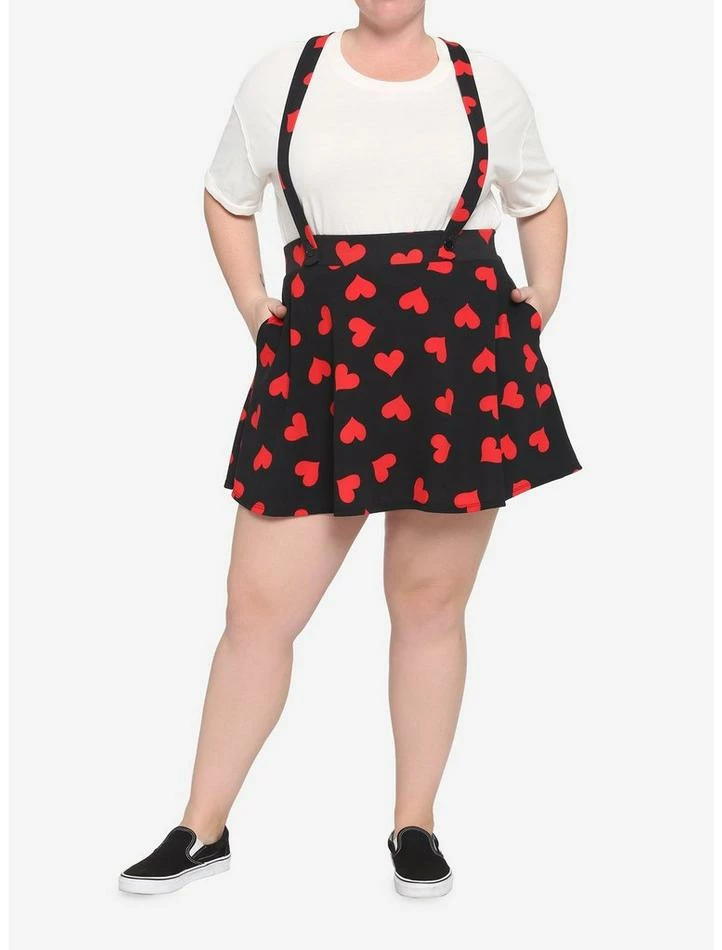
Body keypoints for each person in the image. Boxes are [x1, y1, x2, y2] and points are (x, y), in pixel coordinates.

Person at [119, 0, 580, 899]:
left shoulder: (487, 81)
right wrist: (253, 302)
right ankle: (200, 825)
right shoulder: (281, 77)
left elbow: (541, 196)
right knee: (258, 609)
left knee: (429, 604)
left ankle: (415, 824)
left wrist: (547, 290)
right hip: (319, 360)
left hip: (457, 363)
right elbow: (226, 196)